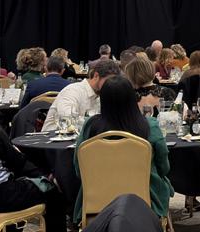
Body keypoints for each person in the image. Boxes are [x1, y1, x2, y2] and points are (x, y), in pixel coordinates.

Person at [0, 75, 68, 232]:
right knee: (52, 192)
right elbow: (18, 163)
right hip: (0, 196)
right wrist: (44, 177)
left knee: (24, 184)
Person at [71, 75, 172, 224]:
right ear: (133, 98)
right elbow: (164, 167)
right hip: (145, 201)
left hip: (97, 203)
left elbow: (79, 168)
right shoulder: (149, 126)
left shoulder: (90, 127)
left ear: (103, 100)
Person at [42, 58, 121, 132]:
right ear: (96, 76)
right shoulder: (73, 91)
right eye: (108, 81)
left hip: (80, 137)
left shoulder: (102, 94)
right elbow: (68, 120)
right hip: (54, 137)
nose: (110, 85)